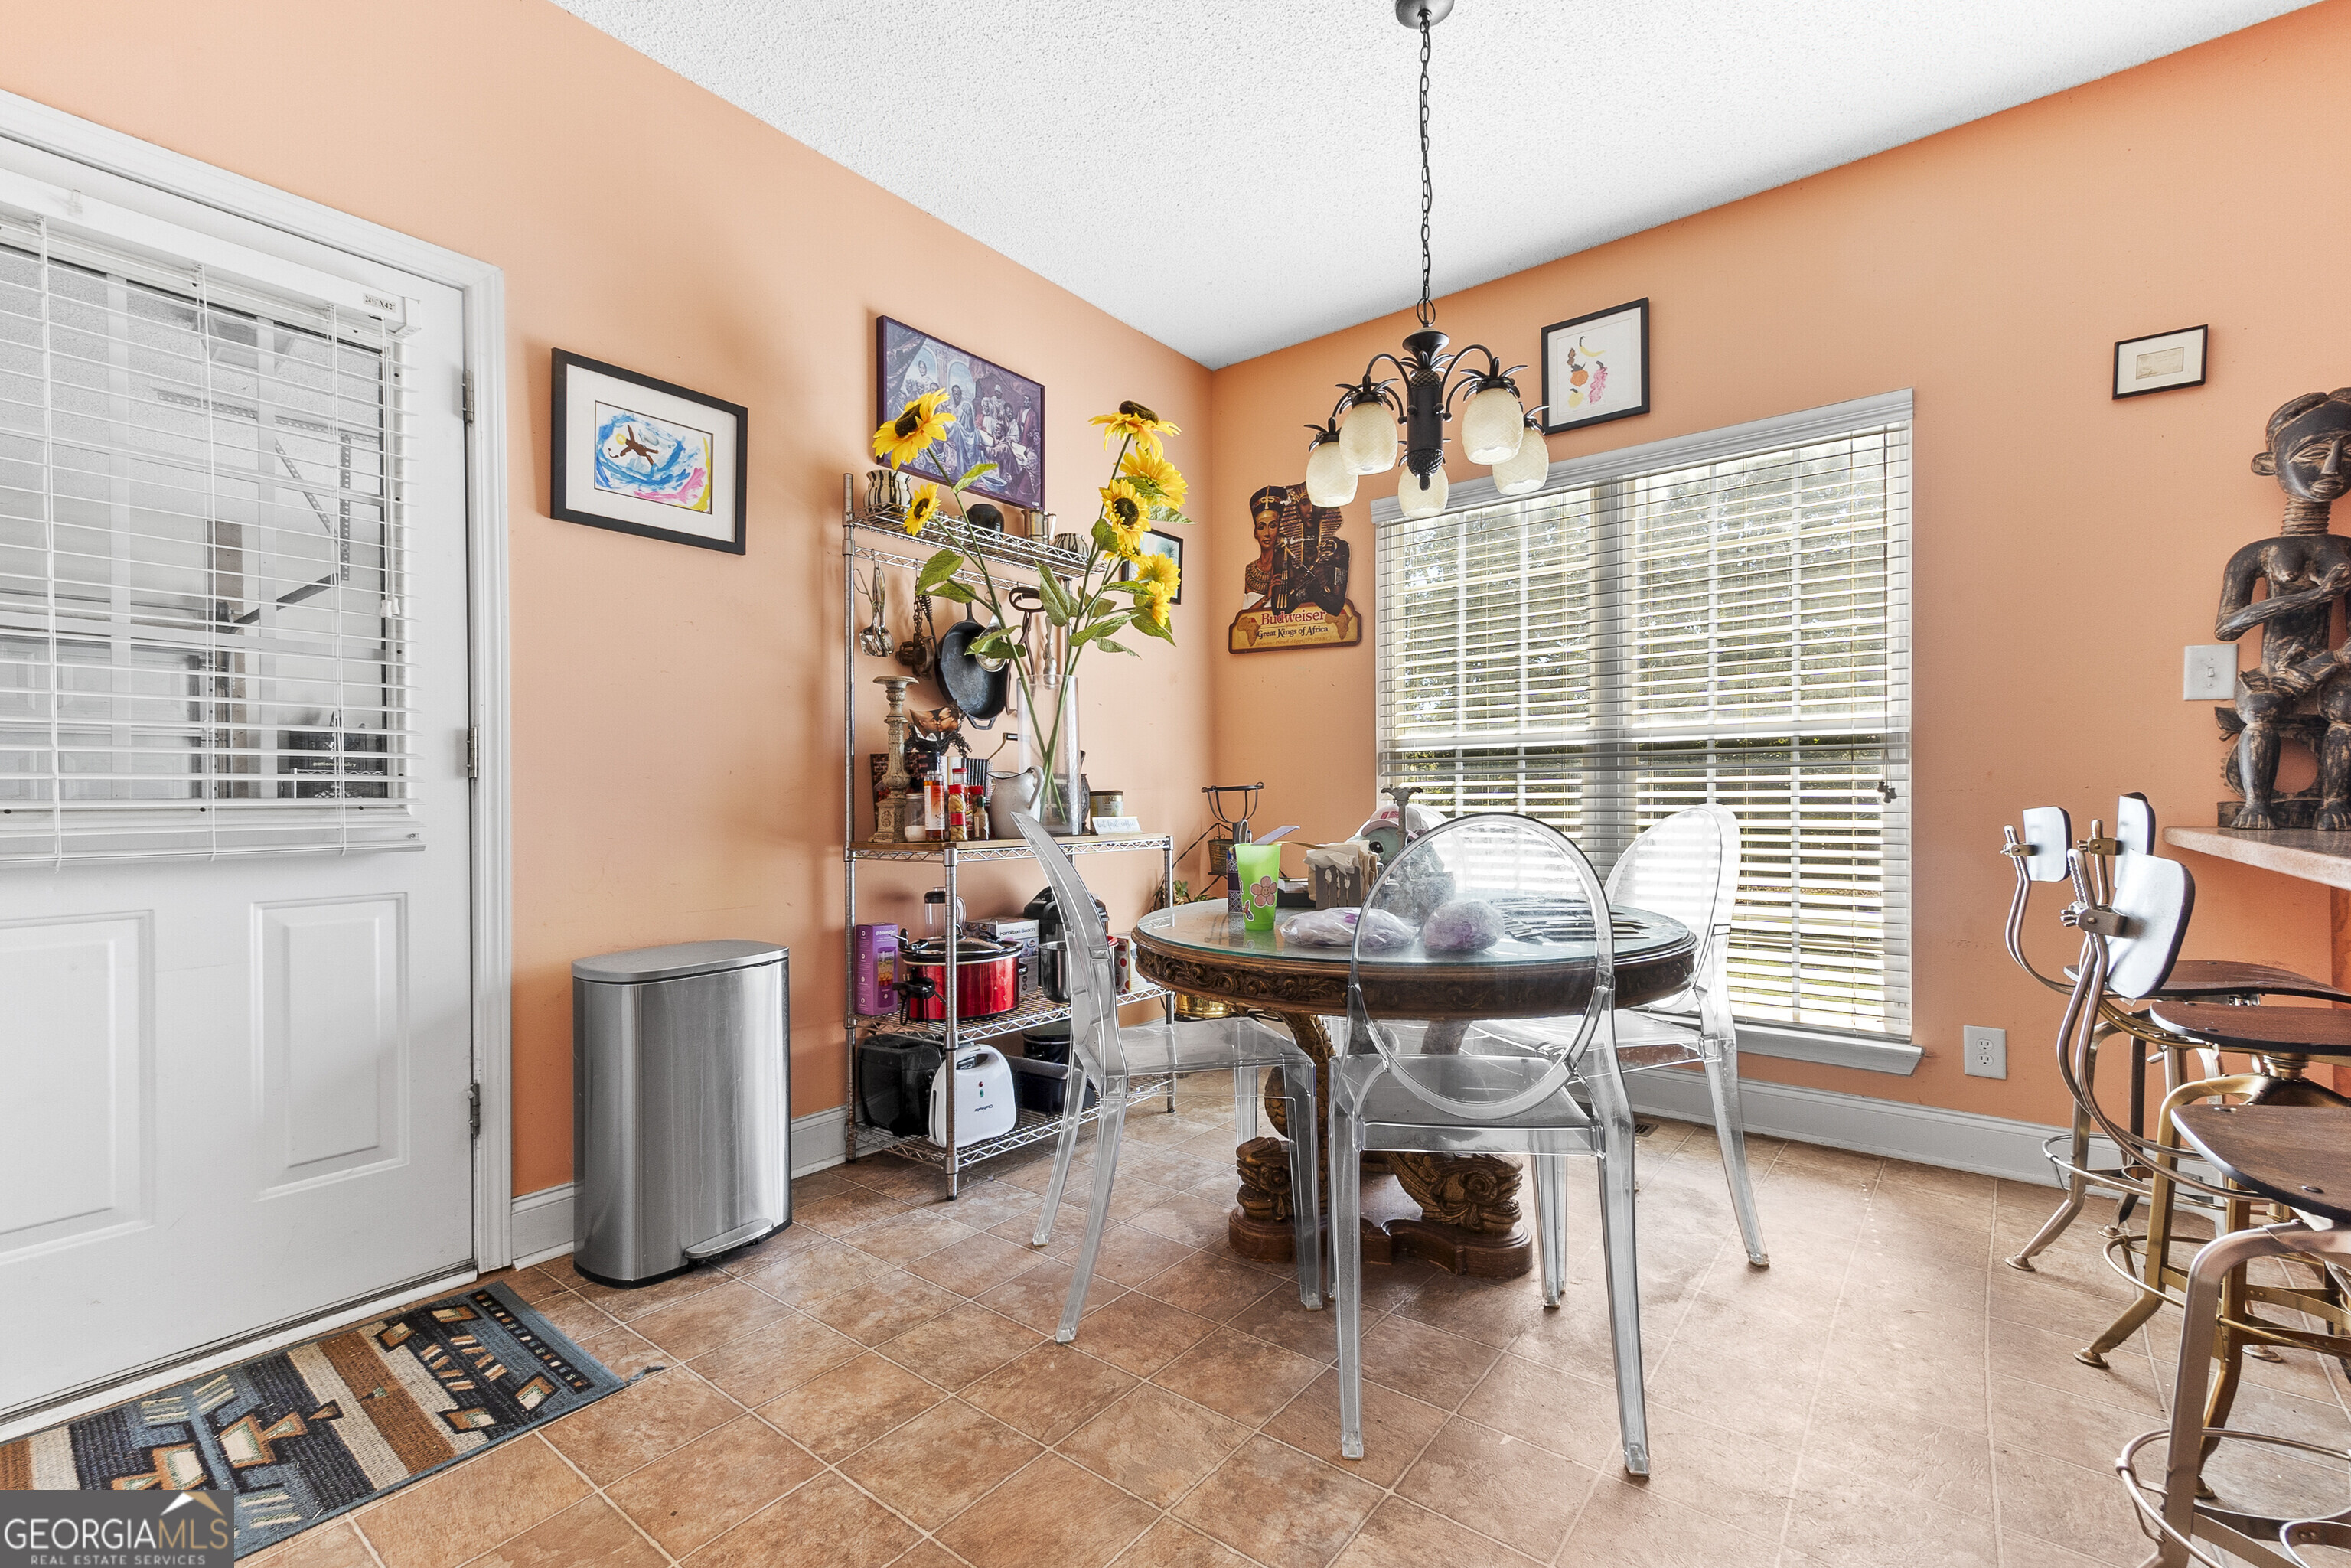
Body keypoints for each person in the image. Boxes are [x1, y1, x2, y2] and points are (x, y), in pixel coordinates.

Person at [2217, 389, 2351, 827]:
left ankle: (2334, 804)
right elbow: (2227, 627)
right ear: (2269, 464)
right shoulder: (2255, 553)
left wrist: (2337, 659)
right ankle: (2257, 804)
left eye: (2347, 453)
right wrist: (2313, 596)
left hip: (2330, 670)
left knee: (2348, 705)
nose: (2332, 468)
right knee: (2259, 707)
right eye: (2314, 452)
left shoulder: (2346, 551)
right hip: (2273, 672)